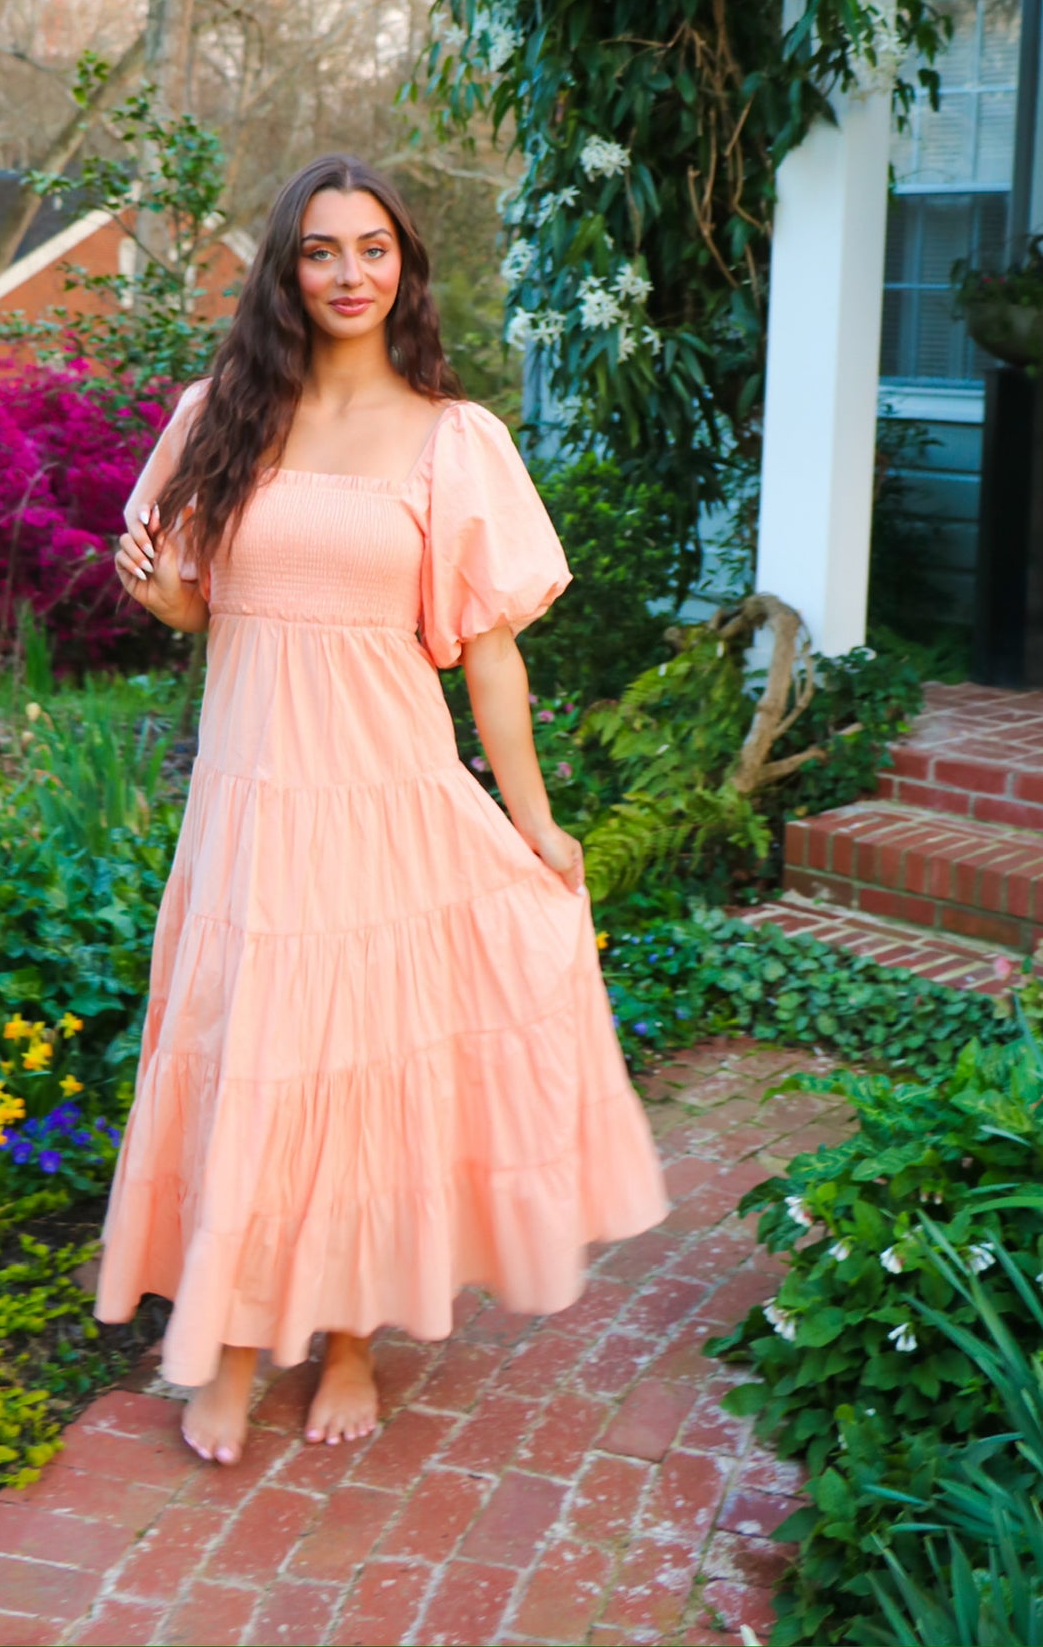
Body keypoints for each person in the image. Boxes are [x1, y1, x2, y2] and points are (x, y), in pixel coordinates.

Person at [98, 153, 667, 1466]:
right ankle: (232, 1352)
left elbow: (491, 650)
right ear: (284, 273)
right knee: (251, 1068)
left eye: (372, 249)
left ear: (403, 265)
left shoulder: (454, 438)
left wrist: (532, 821)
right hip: (251, 808)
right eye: (319, 251)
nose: (349, 273)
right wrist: (160, 600)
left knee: (362, 1077)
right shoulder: (216, 414)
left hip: (387, 806)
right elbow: (202, 604)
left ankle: (349, 1340)